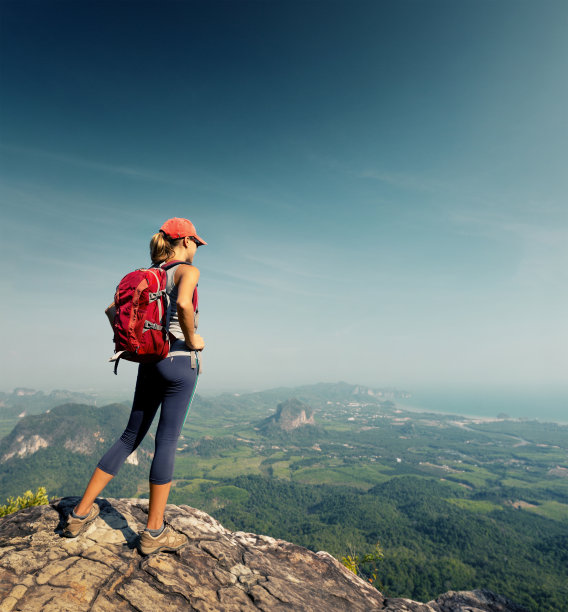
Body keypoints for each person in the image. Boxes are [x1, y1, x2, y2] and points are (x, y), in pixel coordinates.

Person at [63, 217, 206, 555]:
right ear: (184, 241)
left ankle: (78, 515)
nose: (197, 249)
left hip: (149, 362)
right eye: (195, 243)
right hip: (180, 361)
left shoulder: (147, 275)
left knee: (130, 436)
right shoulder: (186, 272)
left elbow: (112, 310)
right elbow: (184, 304)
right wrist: (192, 339)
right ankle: (153, 532)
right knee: (167, 441)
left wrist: (135, 345)